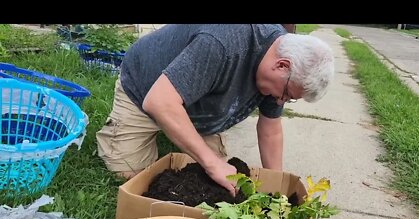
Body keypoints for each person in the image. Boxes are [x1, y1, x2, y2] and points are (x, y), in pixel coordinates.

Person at [96, 24, 334, 196]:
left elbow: (270, 129)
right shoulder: (222, 42)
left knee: (214, 186)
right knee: (132, 177)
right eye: (286, 95)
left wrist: (278, 188)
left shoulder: (284, 64)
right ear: (282, 66)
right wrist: (212, 163)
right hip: (147, 89)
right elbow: (159, 102)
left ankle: (181, 130)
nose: (281, 102)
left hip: (200, 106)